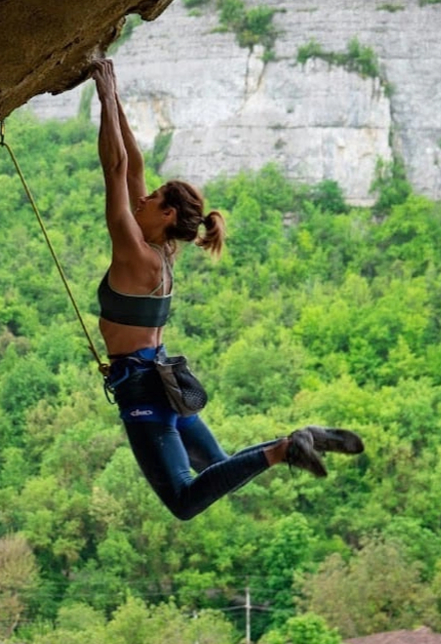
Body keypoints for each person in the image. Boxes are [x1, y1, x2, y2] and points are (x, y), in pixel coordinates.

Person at [88, 59, 364, 521]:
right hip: (163, 377)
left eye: (153, 198)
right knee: (221, 469)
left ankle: (282, 451)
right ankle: (297, 440)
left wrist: (103, 94)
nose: (141, 198)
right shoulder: (163, 255)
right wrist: (113, 95)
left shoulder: (134, 252)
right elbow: (132, 166)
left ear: (169, 216)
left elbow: (115, 167)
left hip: (143, 390)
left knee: (184, 500)